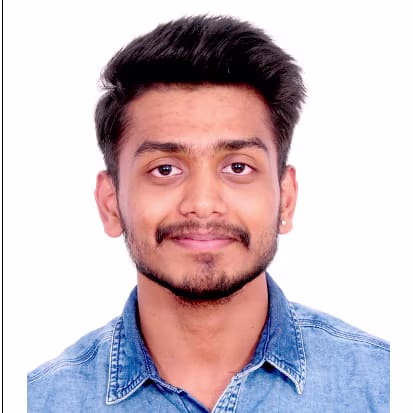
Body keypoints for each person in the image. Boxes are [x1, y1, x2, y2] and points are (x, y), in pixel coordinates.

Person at [27, 15, 389, 412]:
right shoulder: (38, 402)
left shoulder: (385, 387)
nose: (202, 203)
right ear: (110, 203)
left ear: (285, 199)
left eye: (238, 167)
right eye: (165, 169)